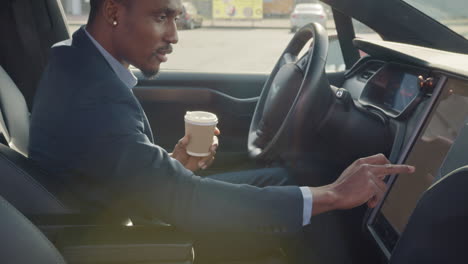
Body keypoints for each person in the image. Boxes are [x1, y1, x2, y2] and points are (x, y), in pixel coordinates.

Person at [29, 0, 415, 262]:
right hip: (117, 237)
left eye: (176, 18)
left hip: (123, 206)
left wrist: (170, 162)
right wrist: (331, 195)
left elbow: (111, 163)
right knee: (317, 205)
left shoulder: (77, 61)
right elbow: (184, 201)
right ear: (113, 12)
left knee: (285, 179)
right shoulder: (93, 96)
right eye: (161, 16)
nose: (175, 35)